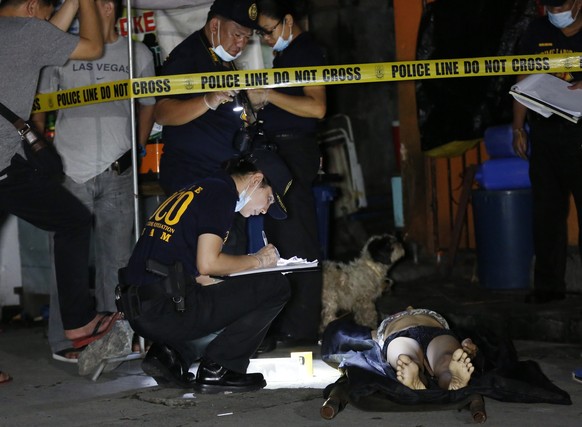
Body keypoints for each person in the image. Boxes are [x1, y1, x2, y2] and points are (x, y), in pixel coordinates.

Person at [31, 0, 156, 360]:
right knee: (66, 263)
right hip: (71, 170)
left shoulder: (137, 53)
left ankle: (116, 338)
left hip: (118, 171)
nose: (97, 6)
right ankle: (65, 342)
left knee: (118, 263)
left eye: (103, 1)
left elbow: (149, 102)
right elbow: (40, 106)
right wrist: (42, 157)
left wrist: (140, 145)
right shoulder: (64, 52)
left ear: (113, 8)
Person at [0, 0, 122, 350]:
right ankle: (79, 323)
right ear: (32, 6)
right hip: (2, 166)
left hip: (7, 163)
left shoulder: (24, 32)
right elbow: (94, 47)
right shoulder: (29, 34)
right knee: (72, 221)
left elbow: (47, 32)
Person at [119, 149, 293, 393]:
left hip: (141, 307)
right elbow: (208, 264)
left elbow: (199, 272)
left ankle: (170, 354)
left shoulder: (198, 188)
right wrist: (258, 261)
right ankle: (220, 368)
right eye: (270, 199)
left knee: (238, 294)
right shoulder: (221, 194)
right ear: (255, 180)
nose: (265, 210)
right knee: (275, 286)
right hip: (163, 310)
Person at [247, 0, 326, 349]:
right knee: (281, 238)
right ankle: (288, 322)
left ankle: (301, 328)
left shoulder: (307, 49)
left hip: (295, 153)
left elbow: (316, 107)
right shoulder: (287, 54)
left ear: (288, 20)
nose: (265, 39)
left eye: (268, 30)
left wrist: (270, 96)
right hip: (280, 152)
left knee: (297, 239)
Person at [512, 0, 582, 304]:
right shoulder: (535, 31)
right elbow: (521, 80)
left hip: (580, 136)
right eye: (551, 6)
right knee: (546, 214)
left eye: (562, 5)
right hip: (544, 137)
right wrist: (518, 128)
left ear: (578, 3)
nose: (556, 12)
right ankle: (548, 288)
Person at [154, 0, 262, 195]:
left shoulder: (224, 59)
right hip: (191, 175)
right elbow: (162, 113)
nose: (241, 44)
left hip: (223, 173)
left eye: (247, 38)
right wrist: (206, 101)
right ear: (215, 25)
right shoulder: (188, 56)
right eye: (237, 35)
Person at [373, 307, 476, 391]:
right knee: (406, 359)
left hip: (434, 331)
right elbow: (372, 336)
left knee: (447, 359)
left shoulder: (431, 313)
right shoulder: (386, 322)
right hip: (404, 334)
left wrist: (467, 348)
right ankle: (417, 379)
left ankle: (451, 381)